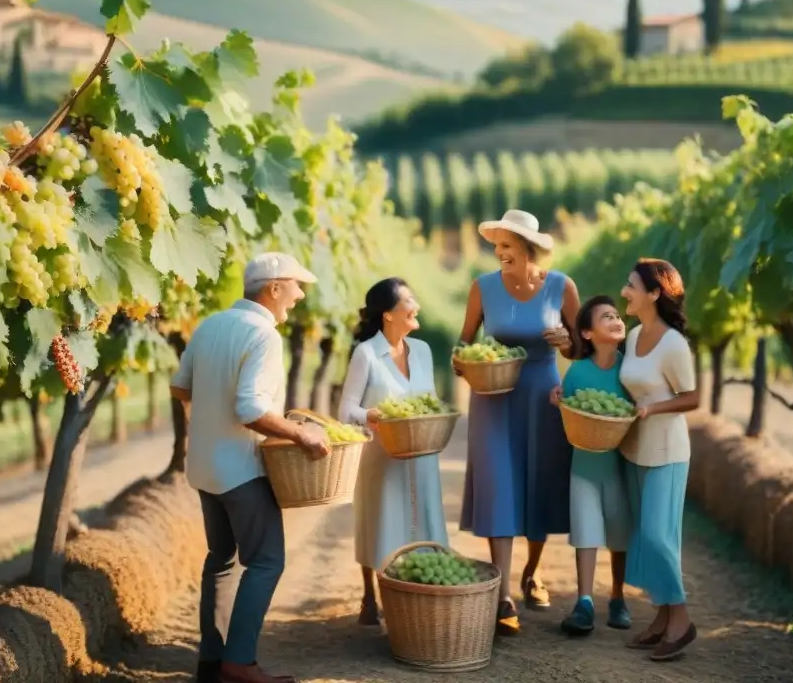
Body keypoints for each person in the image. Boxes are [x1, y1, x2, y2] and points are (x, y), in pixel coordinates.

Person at [170, 252, 329, 683]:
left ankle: (212, 661)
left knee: (221, 558)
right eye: (295, 287)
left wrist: (208, 420)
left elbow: (180, 386)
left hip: (204, 466)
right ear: (273, 288)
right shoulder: (264, 336)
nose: (298, 297)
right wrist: (301, 434)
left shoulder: (209, 326)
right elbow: (249, 409)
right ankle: (239, 663)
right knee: (266, 561)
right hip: (241, 470)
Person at [457, 209, 580, 635]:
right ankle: (503, 592)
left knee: (538, 486)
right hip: (493, 397)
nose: (499, 253)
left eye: (506, 246)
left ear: (528, 249)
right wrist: (463, 360)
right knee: (499, 486)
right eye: (497, 246)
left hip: (543, 396)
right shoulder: (483, 288)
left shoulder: (562, 288)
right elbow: (464, 341)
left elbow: (581, 348)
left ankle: (532, 571)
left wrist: (568, 342)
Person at [339, 277, 448, 626]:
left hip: (422, 452)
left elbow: (428, 400)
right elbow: (346, 411)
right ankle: (371, 596)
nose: (416, 306)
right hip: (381, 455)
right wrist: (372, 415)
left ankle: (419, 599)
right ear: (388, 315)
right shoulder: (366, 354)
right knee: (379, 521)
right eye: (409, 301)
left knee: (424, 521)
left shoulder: (424, 352)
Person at [618, 258, 701, 662]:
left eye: (631, 285)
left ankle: (681, 621)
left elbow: (693, 397)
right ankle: (661, 619)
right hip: (634, 448)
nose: (624, 292)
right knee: (645, 539)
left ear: (654, 293)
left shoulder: (673, 344)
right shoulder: (633, 336)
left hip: (667, 451)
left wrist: (653, 410)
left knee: (657, 536)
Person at [550, 296, 633, 637]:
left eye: (617, 315)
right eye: (606, 317)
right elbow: (570, 412)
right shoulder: (578, 371)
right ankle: (584, 601)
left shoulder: (630, 370)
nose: (615, 319)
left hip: (618, 467)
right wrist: (557, 400)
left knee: (619, 532)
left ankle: (617, 595)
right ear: (586, 332)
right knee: (585, 532)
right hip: (583, 466)